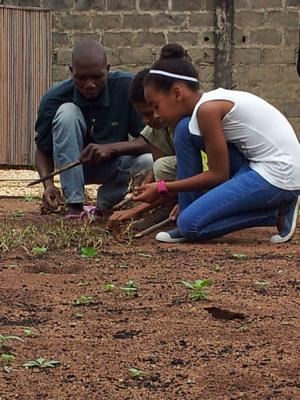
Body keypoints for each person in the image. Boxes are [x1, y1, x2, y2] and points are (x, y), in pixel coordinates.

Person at [134, 44, 300, 244]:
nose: (156, 114)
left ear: (177, 94)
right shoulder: (203, 109)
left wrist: (163, 187)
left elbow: (218, 175)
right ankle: (188, 211)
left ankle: (276, 212)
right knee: (184, 130)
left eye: (156, 106)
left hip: (280, 173)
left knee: (191, 226)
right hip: (255, 164)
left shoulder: (208, 110)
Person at [35, 40, 152, 219]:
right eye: (81, 78)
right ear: (71, 71)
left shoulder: (126, 88)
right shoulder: (53, 99)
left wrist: (110, 148)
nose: (89, 85)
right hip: (74, 167)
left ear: (108, 69)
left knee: (148, 161)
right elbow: (43, 150)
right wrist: (48, 184)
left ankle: (105, 204)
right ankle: (74, 205)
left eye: (97, 77)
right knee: (67, 113)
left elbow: (149, 141)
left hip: (114, 167)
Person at [108, 68, 177, 224]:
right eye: (142, 115)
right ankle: (167, 205)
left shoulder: (185, 126)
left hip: (206, 184)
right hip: (184, 185)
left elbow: (182, 181)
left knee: (160, 167)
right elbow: (162, 180)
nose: (146, 120)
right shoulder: (155, 128)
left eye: (149, 112)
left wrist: (137, 210)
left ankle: (174, 207)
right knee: (157, 168)